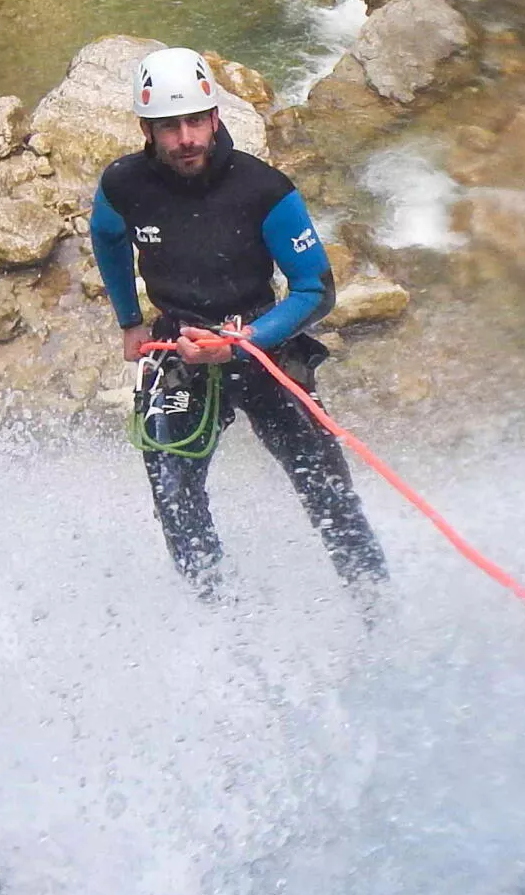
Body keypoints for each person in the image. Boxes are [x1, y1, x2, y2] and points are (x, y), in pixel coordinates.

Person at [87, 46, 388, 601]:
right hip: (178, 344)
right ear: (146, 129)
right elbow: (106, 236)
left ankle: (376, 607)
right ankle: (218, 615)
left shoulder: (263, 190)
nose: (186, 139)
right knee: (173, 495)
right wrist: (129, 320)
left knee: (328, 491)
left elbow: (315, 291)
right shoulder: (124, 185)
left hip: (262, 341)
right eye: (170, 126)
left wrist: (245, 342)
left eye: (196, 121)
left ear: (215, 117)